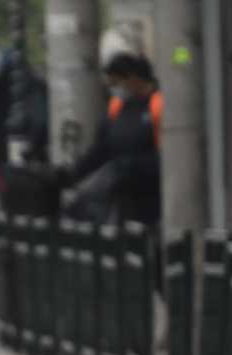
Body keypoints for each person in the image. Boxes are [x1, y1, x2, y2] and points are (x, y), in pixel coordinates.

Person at [61, 51, 163, 228]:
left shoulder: (156, 105)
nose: (115, 89)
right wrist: (72, 174)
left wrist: (130, 166)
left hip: (150, 196)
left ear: (132, 78)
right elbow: (101, 149)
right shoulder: (117, 107)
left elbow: (167, 157)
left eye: (116, 83)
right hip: (122, 196)